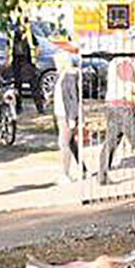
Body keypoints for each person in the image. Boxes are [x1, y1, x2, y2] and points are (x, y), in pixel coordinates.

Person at [96, 52, 135, 185]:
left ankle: (102, 175)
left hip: (111, 105)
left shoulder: (115, 61)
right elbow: (129, 86)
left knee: (111, 141)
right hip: (122, 107)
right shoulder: (125, 63)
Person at [53, 38, 85, 183]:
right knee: (70, 143)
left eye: (57, 62)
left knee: (64, 144)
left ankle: (65, 174)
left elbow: (73, 98)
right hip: (60, 114)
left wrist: (73, 118)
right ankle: (82, 169)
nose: (55, 65)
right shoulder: (61, 75)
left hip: (66, 115)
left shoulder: (70, 75)